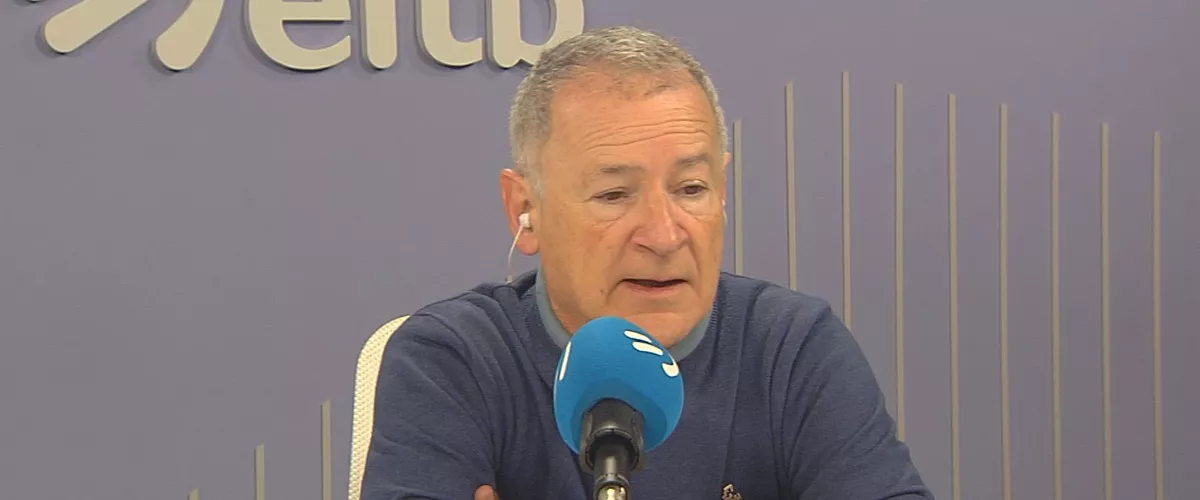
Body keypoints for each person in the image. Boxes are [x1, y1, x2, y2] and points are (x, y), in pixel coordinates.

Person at [359, 25, 932, 500]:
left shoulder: (792, 347)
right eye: (614, 195)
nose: (663, 235)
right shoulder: (454, 359)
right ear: (524, 210)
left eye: (691, 189)